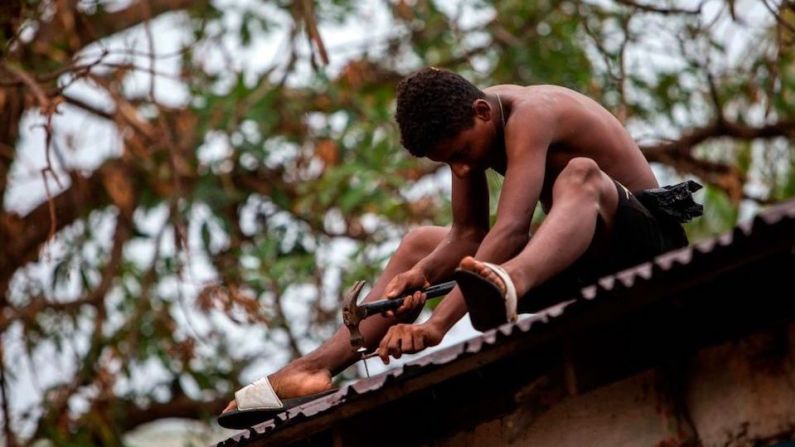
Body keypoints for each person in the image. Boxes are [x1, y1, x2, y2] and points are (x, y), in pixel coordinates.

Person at [218, 67, 701, 428]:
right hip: (577, 263)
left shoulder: (534, 113)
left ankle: (507, 284)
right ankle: (313, 368)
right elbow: (466, 236)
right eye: (448, 163)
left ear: (482, 112)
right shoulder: (469, 139)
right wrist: (422, 274)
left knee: (581, 175)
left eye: (461, 154)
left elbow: (509, 230)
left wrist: (435, 324)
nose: (463, 169)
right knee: (418, 244)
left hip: (643, 247)